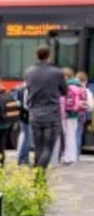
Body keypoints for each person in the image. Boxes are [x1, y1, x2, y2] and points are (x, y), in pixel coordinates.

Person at [23, 44, 68, 172]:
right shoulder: (57, 72)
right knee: (48, 147)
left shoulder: (29, 72)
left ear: (36, 55)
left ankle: (38, 177)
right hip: (52, 114)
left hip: (35, 114)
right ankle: (39, 174)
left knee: (38, 147)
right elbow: (65, 91)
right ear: (49, 55)